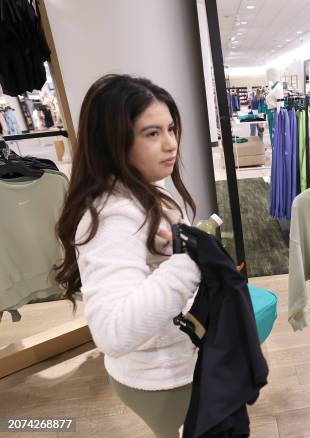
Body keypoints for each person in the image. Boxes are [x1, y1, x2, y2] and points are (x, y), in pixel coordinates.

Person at [54, 74, 201, 438]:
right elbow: (112, 332)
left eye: (171, 129)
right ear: (113, 142)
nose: (171, 144)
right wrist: (188, 263)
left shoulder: (145, 187)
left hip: (179, 361)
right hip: (163, 378)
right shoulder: (112, 215)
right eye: (152, 133)